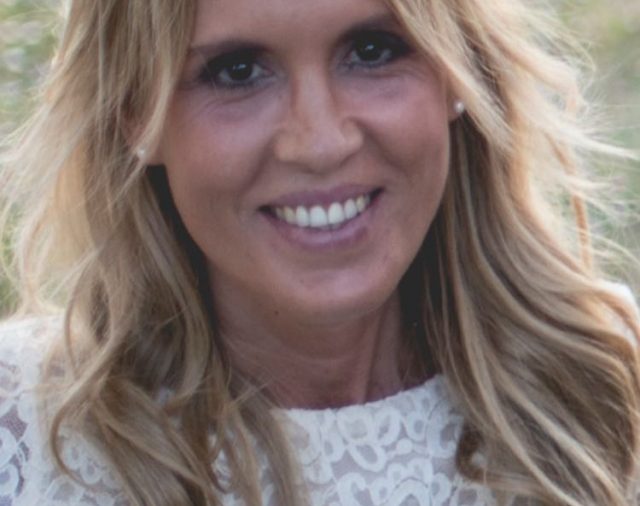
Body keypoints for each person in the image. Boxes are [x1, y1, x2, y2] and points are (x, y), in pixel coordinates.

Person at [1, 0, 639, 504]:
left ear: (459, 72)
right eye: (238, 70)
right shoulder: (23, 431)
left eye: (372, 51)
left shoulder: (605, 387)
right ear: (135, 114)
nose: (320, 142)